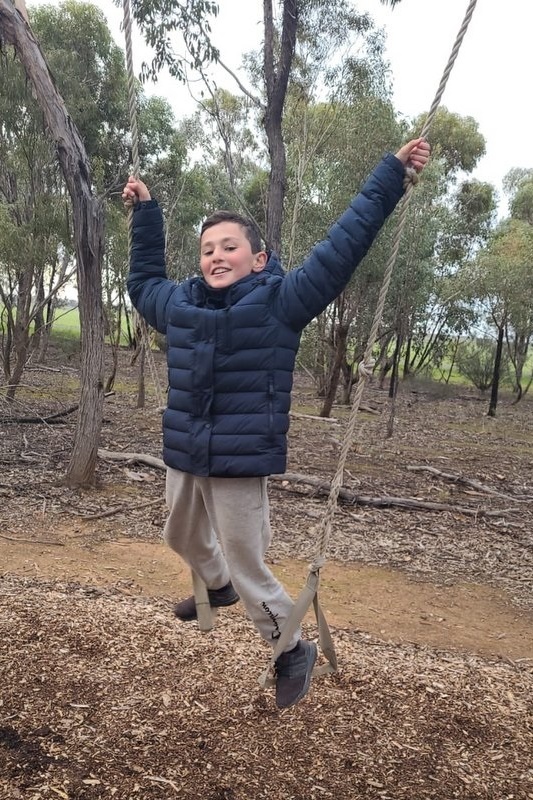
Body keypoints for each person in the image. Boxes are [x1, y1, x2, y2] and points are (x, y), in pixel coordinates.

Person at [123, 137, 430, 709]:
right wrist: (147, 213)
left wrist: (389, 175)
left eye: (230, 246)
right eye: (208, 248)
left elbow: (343, 246)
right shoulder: (181, 306)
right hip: (185, 449)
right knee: (180, 535)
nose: (216, 255)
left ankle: (289, 649)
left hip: (240, 460)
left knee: (248, 566)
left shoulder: (280, 302)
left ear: (257, 259)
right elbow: (142, 284)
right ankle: (213, 588)